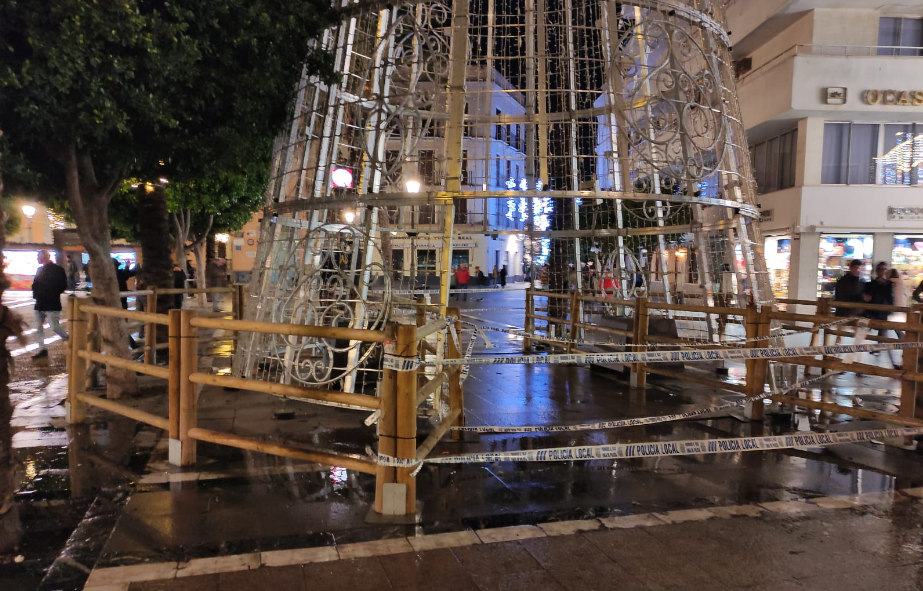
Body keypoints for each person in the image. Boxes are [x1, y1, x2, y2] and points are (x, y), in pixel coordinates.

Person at [31, 250, 68, 358]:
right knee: (38, 327)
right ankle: (42, 350)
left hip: (52, 303)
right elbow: (35, 284)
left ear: (45, 256)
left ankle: (67, 338)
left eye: (39, 256)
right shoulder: (40, 269)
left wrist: (51, 292)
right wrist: (36, 294)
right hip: (40, 303)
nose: (38, 258)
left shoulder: (58, 270)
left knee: (54, 326)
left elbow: (62, 285)